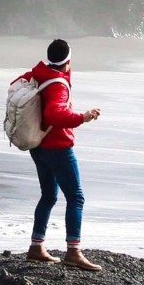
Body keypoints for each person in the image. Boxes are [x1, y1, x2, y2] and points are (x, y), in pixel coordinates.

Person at [22, 38, 102, 270]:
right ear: (68, 61)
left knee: (48, 196)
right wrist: (82, 117)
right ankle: (74, 251)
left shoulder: (38, 74)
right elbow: (55, 115)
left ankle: (36, 247)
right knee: (76, 197)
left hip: (38, 145)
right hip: (58, 147)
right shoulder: (58, 84)